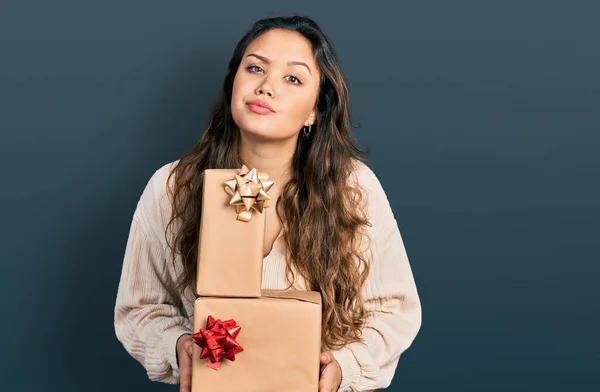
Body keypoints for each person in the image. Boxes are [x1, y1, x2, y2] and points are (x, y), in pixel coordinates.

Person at [114, 15, 421, 392]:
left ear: (314, 111)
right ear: (233, 84)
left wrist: (343, 368)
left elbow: (394, 309)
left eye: (292, 78)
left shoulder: (352, 187)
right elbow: (140, 309)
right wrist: (178, 345)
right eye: (255, 68)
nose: (266, 87)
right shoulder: (172, 187)